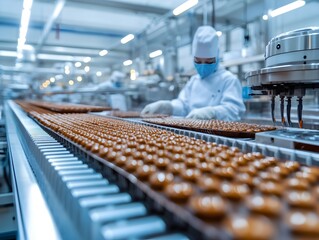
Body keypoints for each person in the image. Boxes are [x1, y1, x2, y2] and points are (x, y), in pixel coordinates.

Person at [141, 26, 245, 121]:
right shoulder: (194, 81)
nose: (203, 66)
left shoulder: (229, 80)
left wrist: (213, 113)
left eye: (208, 61)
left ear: (217, 57)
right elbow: (183, 105)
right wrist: (168, 106)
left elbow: (234, 111)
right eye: (198, 61)